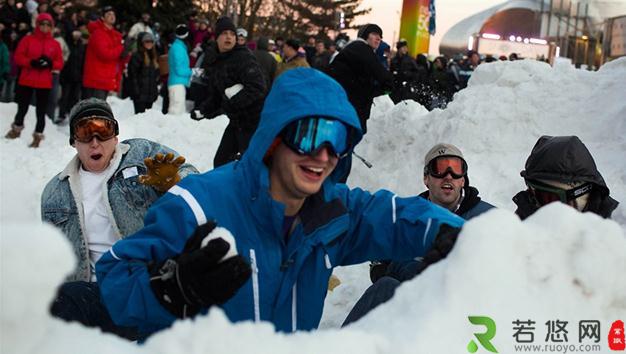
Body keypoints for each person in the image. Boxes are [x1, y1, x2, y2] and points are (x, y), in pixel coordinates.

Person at [95, 68, 464, 338]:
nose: (322, 155)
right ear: (273, 137)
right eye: (309, 135)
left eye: (336, 140)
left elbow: (396, 216)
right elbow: (113, 276)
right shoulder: (198, 204)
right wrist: (172, 289)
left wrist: (462, 235)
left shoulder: (331, 213)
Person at [42, 98, 198, 339]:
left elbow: (195, 182)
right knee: (56, 302)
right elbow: (53, 259)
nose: (95, 142)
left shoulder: (143, 155)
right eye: (85, 132)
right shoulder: (55, 193)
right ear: (74, 141)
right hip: (95, 295)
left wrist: (175, 185)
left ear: (115, 136)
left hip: (149, 283)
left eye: (103, 130)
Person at [344, 143, 495, 326]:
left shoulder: (489, 219)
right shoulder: (408, 216)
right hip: (411, 310)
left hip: (464, 314)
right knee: (385, 286)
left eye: (456, 169)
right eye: (439, 168)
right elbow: (379, 263)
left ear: (463, 179)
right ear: (426, 178)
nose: (448, 176)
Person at [190, 16, 266, 168]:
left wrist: (232, 103)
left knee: (249, 165)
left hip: (254, 122)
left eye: (232, 34)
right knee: (221, 162)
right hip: (237, 121)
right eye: (224, 33)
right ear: (217, 37)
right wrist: (203, 110)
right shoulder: (215, 59)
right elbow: (217, 94)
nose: (229, 37)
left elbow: (258, 86)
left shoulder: (243, 57)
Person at [513, 135, 619, 220]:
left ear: (582, 196)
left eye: (549, 199)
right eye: (532, 192)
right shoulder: (527, 215)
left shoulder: (614, 235)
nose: (539, 206)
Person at [4, 13, 63, 148]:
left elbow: (59, 62)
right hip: (27, 80)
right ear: (37, 25)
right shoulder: (27, 39)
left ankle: (38, 136)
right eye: (42, 24)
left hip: (44, 82)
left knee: (41, 111)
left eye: (48, 24)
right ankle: (16, 129)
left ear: (51, 27)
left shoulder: (55, 44)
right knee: (22, 107)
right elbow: (18, 57)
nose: (45, 27)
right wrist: (31, 62)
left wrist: (50, 64)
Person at [327, 23, 393, 135]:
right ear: (365, 35)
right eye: (375, 34)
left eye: (380, 37)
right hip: (349, 105)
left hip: (343, 101)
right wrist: (386, 88)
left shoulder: (354, 49)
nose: (379, 38)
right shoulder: (362, 49)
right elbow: (384, 77)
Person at [82, 6, 124, 100]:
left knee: (100, 109)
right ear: (102, 18)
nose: (112, 16)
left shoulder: (114, 34)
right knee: (96, 109)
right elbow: (105, 54)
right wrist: (121, 48)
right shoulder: (98, 33)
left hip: (106, 78)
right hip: (97, 80)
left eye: (113, 14)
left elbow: (118, 56)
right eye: (108, 14)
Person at [127, 32, 160, 114]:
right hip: (140, 95)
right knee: (140, 118)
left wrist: (155, 92)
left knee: (147, 119)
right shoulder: (137, 56)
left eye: (151, 41)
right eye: (147, 41)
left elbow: (154, 78)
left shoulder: (154, 56)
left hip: (150, 95)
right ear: (142, 43)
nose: (149, 43)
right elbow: (132, 75)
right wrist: (136, 92)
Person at [57, 29, 85, 123]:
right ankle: (62, 114)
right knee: (65, 96)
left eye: (78, 33)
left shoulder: (82, 46)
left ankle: (73, 114)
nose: (77, 35)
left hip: (78, 76)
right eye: (75, 33)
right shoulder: (67, 43)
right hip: (67, 75)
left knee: (75, 97)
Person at [167, 24, 191, 115]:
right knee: (175, 112)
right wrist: (192, 72)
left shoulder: (179, 47)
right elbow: (179, 70)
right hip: (176, 84)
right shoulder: (178, 48)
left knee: (179, 111)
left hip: (179, 83)